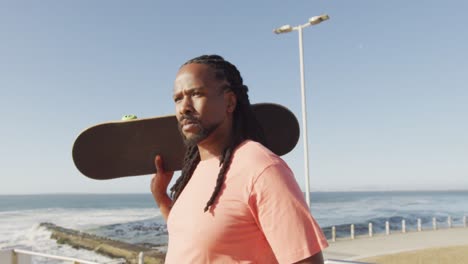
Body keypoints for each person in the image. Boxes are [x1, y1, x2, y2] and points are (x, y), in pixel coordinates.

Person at [150, 55, 328, 263]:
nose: (184, 107)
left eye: (196, 94)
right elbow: (194, 236)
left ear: (229, 102)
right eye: (178, 98)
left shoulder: (261, 167)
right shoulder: (196, 169)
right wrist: (162, 199)